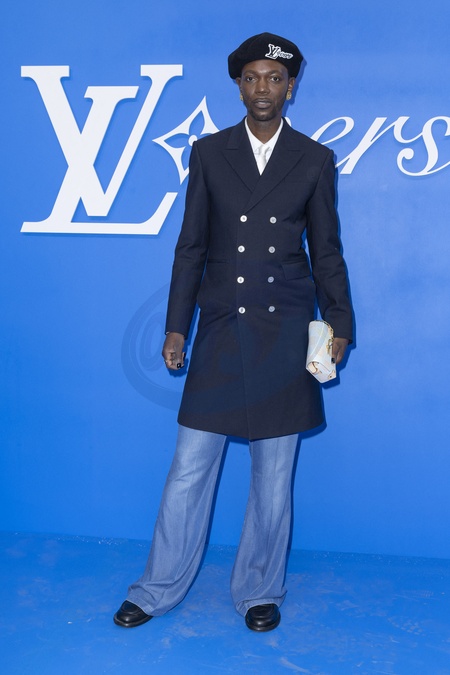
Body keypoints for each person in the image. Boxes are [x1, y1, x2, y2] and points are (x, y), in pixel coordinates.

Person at [114, 32, 353, 632]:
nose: (262, 88)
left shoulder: (315, 158)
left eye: (274, 78)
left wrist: (339, 322)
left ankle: (259, 590)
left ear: (290, 87)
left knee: (273, 475)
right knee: (189, 469)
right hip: (221, 327)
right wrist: (177, 327)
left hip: (285, 330)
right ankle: (157, 588)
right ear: (239, 86)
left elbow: (326, 251)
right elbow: (190, 246)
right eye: (251, 77)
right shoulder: (209, 152)